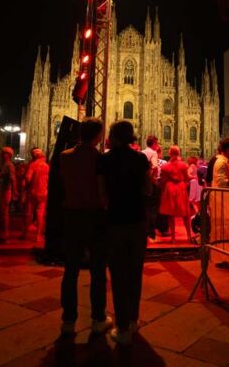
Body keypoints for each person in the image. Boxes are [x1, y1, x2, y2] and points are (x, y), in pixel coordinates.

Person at [98, 121, 153, 346]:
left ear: (113, 136)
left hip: (115, 222)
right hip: (137, 221)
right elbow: (148, 189)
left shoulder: (105, 160)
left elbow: (102, 195)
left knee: (118, 274)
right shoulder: (140, 159)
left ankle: (122, 329)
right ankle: (133, 320)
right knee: (135, 271)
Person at [59, 118, 112, 336]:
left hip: (72, 215)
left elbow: (62, 184)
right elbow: (102, 190)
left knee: (70, 271)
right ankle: (98, 318)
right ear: (98, 136)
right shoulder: (100, 159)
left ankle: (68, 320)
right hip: (94, 216)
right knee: (98, 270)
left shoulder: (65, 156)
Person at [159, 146, 194, 244]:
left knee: (171, 214)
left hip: (170, 188)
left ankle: (173, 238)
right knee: (185, 213)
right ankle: (189, 236)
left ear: (169, 153)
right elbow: (187, 178)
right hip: (181, 188)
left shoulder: (165, 166)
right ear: (179, 153)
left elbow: (163, 180)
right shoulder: (184, 165)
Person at [21, 148, 49, 241]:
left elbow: (28, 179)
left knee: (28, 213)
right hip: (43, 193)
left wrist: (24, 186)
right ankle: (38, 236)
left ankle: (25, 234)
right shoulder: (46, 166)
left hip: (32, 192)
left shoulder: (33, 165)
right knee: (40, 214)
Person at [0, 147, 18, 243]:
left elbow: (12, 178)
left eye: (4, 153)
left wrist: (14, 190)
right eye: (2, 153)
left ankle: (5, 233)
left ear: (9, 155)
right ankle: (2, 232)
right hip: (0, 190)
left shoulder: (9, 165)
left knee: (4, 213)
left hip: (4, 190)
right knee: (0, 213)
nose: (2, 154)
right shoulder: (3, 164)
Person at [142, 135, 162, 242]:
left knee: (144, 207)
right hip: (151, 184)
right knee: (153, 209)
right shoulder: (153, 153)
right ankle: (151, 233)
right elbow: (155, 166)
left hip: (142, 183)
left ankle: (143, 232)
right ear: (154, 144)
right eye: (156, 143)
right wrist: (152, 177)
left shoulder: (142, 152)